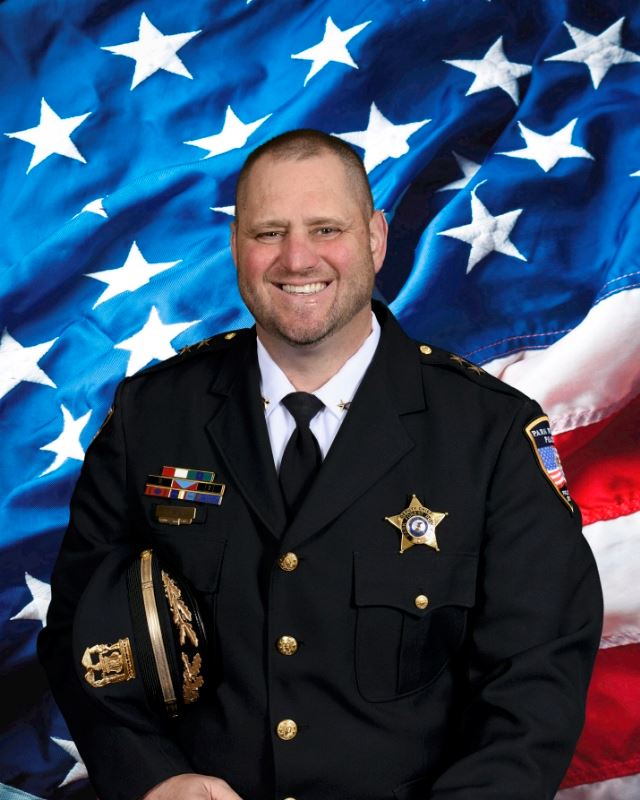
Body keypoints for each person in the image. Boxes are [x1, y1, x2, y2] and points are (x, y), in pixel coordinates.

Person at [39, 129, 603, 800]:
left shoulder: (490, 433)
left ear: (374, 238)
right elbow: (80, 628)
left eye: (325, 228)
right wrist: (155, 779)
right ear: (236, 247)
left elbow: (536, 678)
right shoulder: (151, 416)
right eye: (269, 232)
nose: (297, 258)